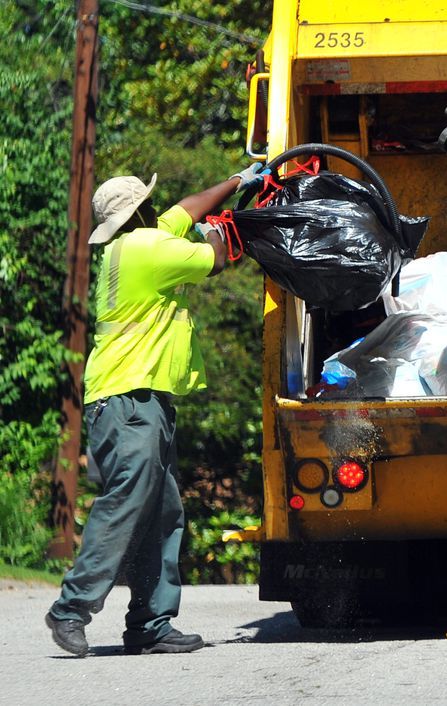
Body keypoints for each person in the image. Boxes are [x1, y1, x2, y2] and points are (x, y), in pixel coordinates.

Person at [45, 164, 266, 657]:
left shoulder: (131, 244)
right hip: (128, 400)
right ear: (140, 210)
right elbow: (217, 253)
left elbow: (186, 210)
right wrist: (252, 217)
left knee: (162, 513)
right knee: (128, 500)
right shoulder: (146, 249)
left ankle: (149, 624)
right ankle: (71, 608)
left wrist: (235, 181)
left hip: (139, 401)